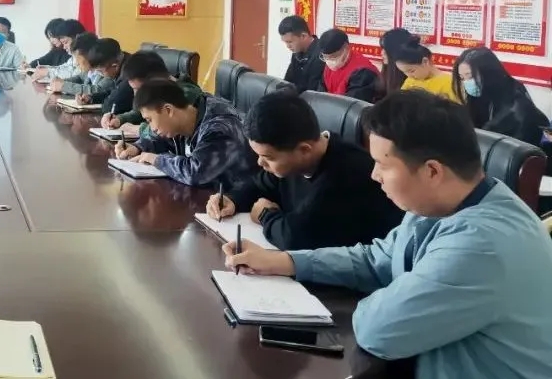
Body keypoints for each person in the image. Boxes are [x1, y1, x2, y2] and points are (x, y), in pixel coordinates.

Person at [223, 90, 552, 379]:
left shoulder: (483, 246)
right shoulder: (443, 203)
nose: (374, 175)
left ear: (432, 171)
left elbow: (378, 330)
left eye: (383, 164)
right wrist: (285, 261)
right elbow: (376, 258)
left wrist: (398, 294)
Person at [206, 91, 402, 250]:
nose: (260, 162)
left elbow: (295, 238)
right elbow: (260, 184)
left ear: (304, 150)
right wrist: (232, 199)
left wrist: (265, 215)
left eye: (268, 157)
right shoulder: (293, 160)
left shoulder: (346, 175)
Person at [115, 79, 257, 188]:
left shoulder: (219, 127)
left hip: (236, 206)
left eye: (149, 120)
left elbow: (195, 172)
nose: (151, 128)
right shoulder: (185, 116)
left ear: (168, 110)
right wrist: (138, 147)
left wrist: (156, 160)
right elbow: (161, 139)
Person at [452, 46, 547, 148]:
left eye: (470, 76)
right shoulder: (479, 97)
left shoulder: (516, 106)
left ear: (488, 73)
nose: (466, 83)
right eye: (462, 78)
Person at [100, 51, 199, 135]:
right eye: (133, 89)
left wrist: (138, 129)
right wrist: (119, 119)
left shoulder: (186, 94)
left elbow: (170, 128)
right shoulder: (161, 92)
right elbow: (139, 113)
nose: (136, 95)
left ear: (156, 80)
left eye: (139, 89)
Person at [319, 28, 381, 102]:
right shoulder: (329, 66)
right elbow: (320, 94)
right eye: (326, 57)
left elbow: (352, 103)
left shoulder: (362, 71)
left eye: (334, 57)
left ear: (345, 47)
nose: (330, 61)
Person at [392, 36, 459, 102]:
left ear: (425, 62)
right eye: (404, 72)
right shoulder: (410, 81)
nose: (409, 75)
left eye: (411, 71)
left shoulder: (449, 83)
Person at [50, 32, 108, 98]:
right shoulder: (89, 71)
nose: (76, 63)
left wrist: (64, 86)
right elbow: (79, 78)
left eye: (78, 59)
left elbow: (97, 90)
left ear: (90, 55)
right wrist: (61, 82)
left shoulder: (106, 70)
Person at [85, 38, 134, 111]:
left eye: (100, 71)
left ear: (115, 66)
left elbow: (111, 106)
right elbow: (113, 92)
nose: (101, 75)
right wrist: (91, 98)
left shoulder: (130, 73)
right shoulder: (122, 59)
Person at [278, 16, 325, 93]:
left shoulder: (320, 55)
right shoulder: (296, 53)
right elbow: (288, 80)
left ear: (303, 36)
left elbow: (312, 90)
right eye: (285, 42)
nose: (288, 46)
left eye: (290, 42)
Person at [380, 27, 414, 94]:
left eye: (386, 49)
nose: (382, 53)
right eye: (382, 48)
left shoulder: (411, 82)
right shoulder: (386, 74)